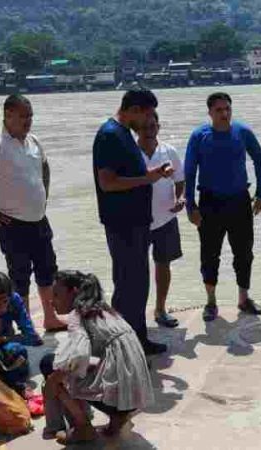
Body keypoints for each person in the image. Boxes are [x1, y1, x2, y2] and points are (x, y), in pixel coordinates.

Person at [0, 94, 67, 332]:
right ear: (7, 115)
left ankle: (50, 317)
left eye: (30, 116)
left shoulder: (34, 141)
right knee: (20, 276)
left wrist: (43, 196)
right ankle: (26, 322)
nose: (28, 121)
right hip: (11, 223)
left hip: (39, 220)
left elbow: (45, 168)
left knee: (47, 270)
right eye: (23, 116)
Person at [92, 87, 173, 355]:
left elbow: (128, 173)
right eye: (147, 115)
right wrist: (146, 179)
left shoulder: (124, 133)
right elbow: (107, 182)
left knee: (139, 285)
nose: (149, 121)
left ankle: (138, 339)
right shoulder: (110, 135)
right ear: (134, 110)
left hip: (137, 222)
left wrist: (151, 173)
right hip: (122, 223)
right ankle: (123, 347)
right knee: (127, 287)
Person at [42, 270, 154, 444]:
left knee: (50, 364)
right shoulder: (104, 310)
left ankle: (83, 427)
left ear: (73, 292)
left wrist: (54, 379)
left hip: (123, 396)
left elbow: (78, 356)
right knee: (84, 365)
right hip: (136, 393)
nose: (51, 301)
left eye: (56, 295)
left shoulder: (78, 315)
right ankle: (117, 418)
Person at [185, 92, 261, 322]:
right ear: (210, 112)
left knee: (244, 252)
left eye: (227, 109)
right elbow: (189, 172)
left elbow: (259, 160)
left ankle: (243, 298)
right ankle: (211, 302)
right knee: (209, 254)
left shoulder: (242, 132)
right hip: (210, 203)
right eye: (219, 110)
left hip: (240, 201)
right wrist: (190, 206)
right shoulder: (199, 136)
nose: (224, 114)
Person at [137, 112, 185, 328]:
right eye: (144, 127)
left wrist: (180, 198)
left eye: (152, 126)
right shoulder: (131, 154)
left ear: (159, 126)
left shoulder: (169, 151)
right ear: (136, 129)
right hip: (137, 221)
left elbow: (180, 180)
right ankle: (135, 313)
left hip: (166, 218)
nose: (149, 131)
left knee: (163, 265)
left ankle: (160, 309)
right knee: (136, 269)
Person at [0, 271, 43, 397]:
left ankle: (8, 381)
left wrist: (6, 339)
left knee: (17, 351)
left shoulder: (14, 301)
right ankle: (8, 382)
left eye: (3, 300)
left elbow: (33, 338)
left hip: (5, 350)